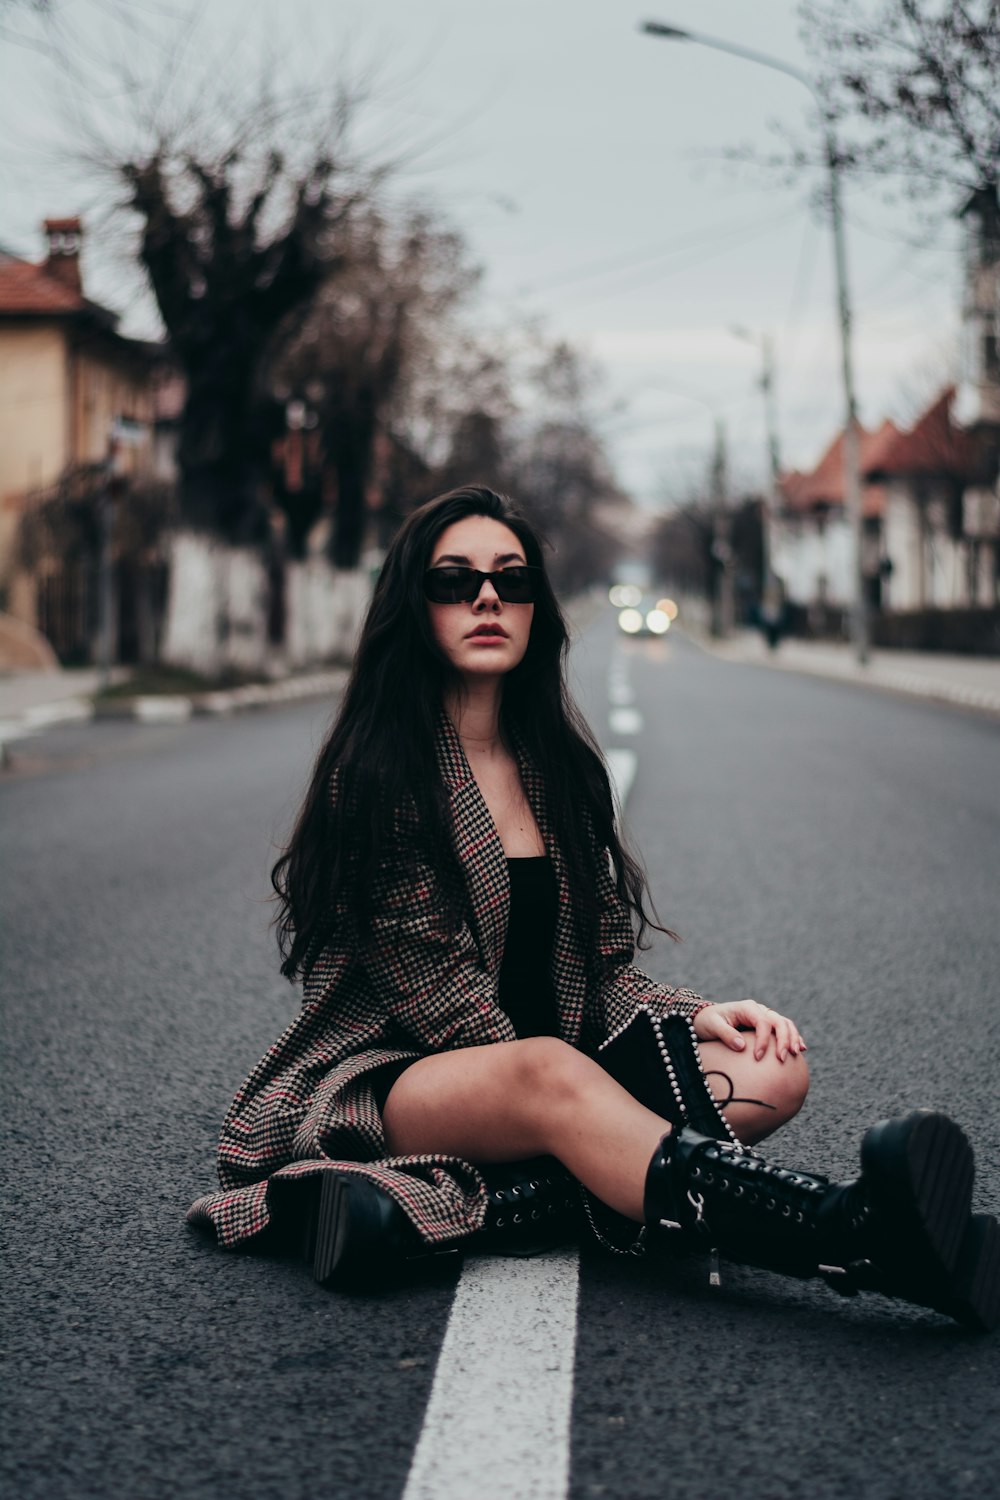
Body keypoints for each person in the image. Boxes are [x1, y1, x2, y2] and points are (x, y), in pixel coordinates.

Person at [188, 486, 998, 1331]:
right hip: (403, 1077)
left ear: (538, 605)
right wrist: (594, 1100)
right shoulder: (381, 774)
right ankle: (847, 1233)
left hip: (556, 1068)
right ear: (412, 606)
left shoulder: (561, 772)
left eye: (511, 579)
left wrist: (697, 1016)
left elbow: (604, 968)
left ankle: (425, 1216)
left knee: (770, 1067)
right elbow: (441, 1005)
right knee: (553, 1078)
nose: (488, 598)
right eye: (454, 582)